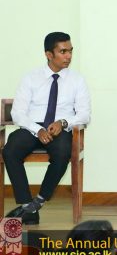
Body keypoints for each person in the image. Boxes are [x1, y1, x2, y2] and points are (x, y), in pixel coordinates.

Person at [3, 32, 91, 225]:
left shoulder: (77, 80)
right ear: (49, 54)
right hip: (32, 127)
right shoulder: (31, 78)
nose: (69, 56)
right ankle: (27, 205)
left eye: (70, 51)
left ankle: (38, 201)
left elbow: (85, 114)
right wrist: (37, 129)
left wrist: (63, 122)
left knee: (63, 151)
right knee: (10, 149)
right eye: (63, 51)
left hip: (60, 129)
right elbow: (18, 112)